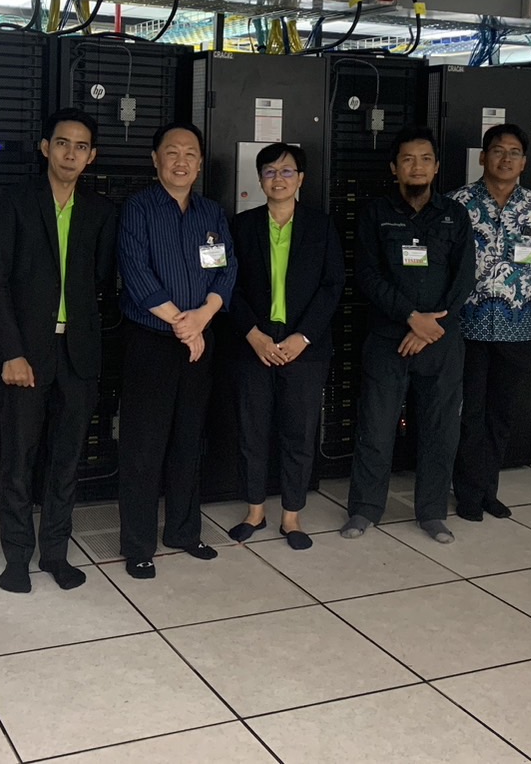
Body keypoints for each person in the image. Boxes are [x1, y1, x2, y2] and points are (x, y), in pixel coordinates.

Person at [0, 108, 117, 594]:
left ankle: (55, 553)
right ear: (45, 148)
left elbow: (103, 280)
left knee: (67, 458)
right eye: (62, 143)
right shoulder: (15, 201)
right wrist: (10, 352)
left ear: (91, 156)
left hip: (78, 354)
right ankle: (16, 557)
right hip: (26, 354)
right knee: (19, 459)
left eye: (81, 147)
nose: (70, 154)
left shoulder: (101, 210)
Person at [342, 126, 474, 544]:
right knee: (376, 428)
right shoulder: (375, 213)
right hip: (387, 338)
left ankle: (432, 513)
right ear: (394, 168)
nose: (417, 167)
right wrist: (410, 317)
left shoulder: (455, 215)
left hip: (441, 341)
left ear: (436, 167)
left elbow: (464, 279)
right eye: (408, 159)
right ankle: (364, 509)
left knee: (440, 430)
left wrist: (430, 326)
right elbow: (367, 274)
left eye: (425, 159)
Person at [117, 122, 236, 579]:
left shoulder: (211, 213)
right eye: (172, 152)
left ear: (200, 162)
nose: (181, 161)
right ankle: (138, 544)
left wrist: (202, 317)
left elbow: (226, 270)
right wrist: (183, 324)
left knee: (189, 440)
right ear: (156, 159)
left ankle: (184, 531)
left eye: (190, 153)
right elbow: (136, 271)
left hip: (200, 340)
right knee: (143, 446)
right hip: (151, 341)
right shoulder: (139, 209)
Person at [226, 144, 345, 550]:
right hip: (254, 345)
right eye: (270, 172)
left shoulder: (321, 226)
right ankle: (254, 511)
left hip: (304, 349)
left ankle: (292, 516)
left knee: (299, 432)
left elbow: (332, 285)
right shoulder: (242, 226)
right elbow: (229, 286)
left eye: (287, 171)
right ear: (260, 180)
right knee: (252, 431)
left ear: (301, 179)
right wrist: (253, 334)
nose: (279, 179)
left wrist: (302, 337)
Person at [445, 123, 531, 523]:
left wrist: (514, 290)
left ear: (523, 162)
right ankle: (467, 493)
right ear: (483, 157)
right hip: (467, 325)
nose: (505, 158)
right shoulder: (457, 203)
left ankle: (487, 489)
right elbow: (445, 262)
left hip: (516, 326)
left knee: (501, 413)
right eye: (497, 150)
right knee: (468, 411)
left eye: (514, 153)